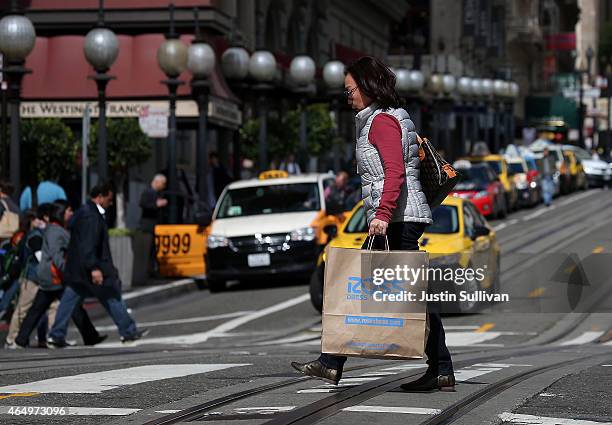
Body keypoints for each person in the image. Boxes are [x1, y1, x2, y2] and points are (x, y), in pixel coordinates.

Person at [291, 56, 455, 392]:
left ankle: (333, 363)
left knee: (390, 292)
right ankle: (335, 362)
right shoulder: (380, 119)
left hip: (398, 218)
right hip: (398, 216)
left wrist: (381, 214)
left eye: (350, 89)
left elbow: (395, 172)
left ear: (367, 88)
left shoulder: (381, 122)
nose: (347, 96)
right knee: (402, 293)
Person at [47, 182, 147, 345]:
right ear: (100, 197)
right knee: (111, 295)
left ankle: (56, 334)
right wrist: (94, 268)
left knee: (71, 299)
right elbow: (89, 244)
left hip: (80, 270)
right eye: (109, 198)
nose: (111, 202)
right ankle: (128, 331)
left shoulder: (87, 213)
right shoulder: (90, 215)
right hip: (87, 269)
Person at [14, 201, 105, 348]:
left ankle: (22, 339)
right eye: (69, 210)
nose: (71, 213)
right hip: (55, 277)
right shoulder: (56, 231)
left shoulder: (57, 229)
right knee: (70, 305)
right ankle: (81, 336)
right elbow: (56, 256)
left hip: (53, 276)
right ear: (60, 213)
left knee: (42, 308)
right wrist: (69, 271)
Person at [4, 206, 48, 348]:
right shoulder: (33, 235)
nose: (41, 221)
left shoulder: (27, 234)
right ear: (31, 220)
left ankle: (23, 338)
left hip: (31, 276)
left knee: (35, 309)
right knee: (24, 309)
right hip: (31, 277)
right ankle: (12, 338)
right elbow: (39, 256)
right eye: (37, 219)